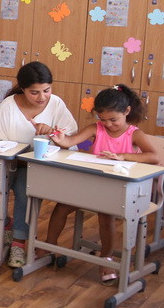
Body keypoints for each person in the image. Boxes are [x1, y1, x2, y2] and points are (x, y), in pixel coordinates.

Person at [46, 84, 161, 284]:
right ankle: (47, 247)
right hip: (90, 186)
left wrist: (123, 156)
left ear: (127, 111)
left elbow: (154, 157)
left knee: (106, 216)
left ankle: (106, 257)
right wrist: (59, 139)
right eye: (103, 119)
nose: (108, 124)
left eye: (113, 120)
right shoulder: (95, 128)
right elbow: (70, 142)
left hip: (117, 191)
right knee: (61, 206)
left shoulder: (134, 134)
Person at [0, 62, 77, 268]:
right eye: (34, 92)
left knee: (24, 190)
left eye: (46, 90)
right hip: (4, 163)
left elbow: (71, 138)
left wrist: (53, 132)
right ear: (23, 89)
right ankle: (10, 226)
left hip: (34, 167)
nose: (42, 97)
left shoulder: (56, 104)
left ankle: (18, 242)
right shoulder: (8, 106)